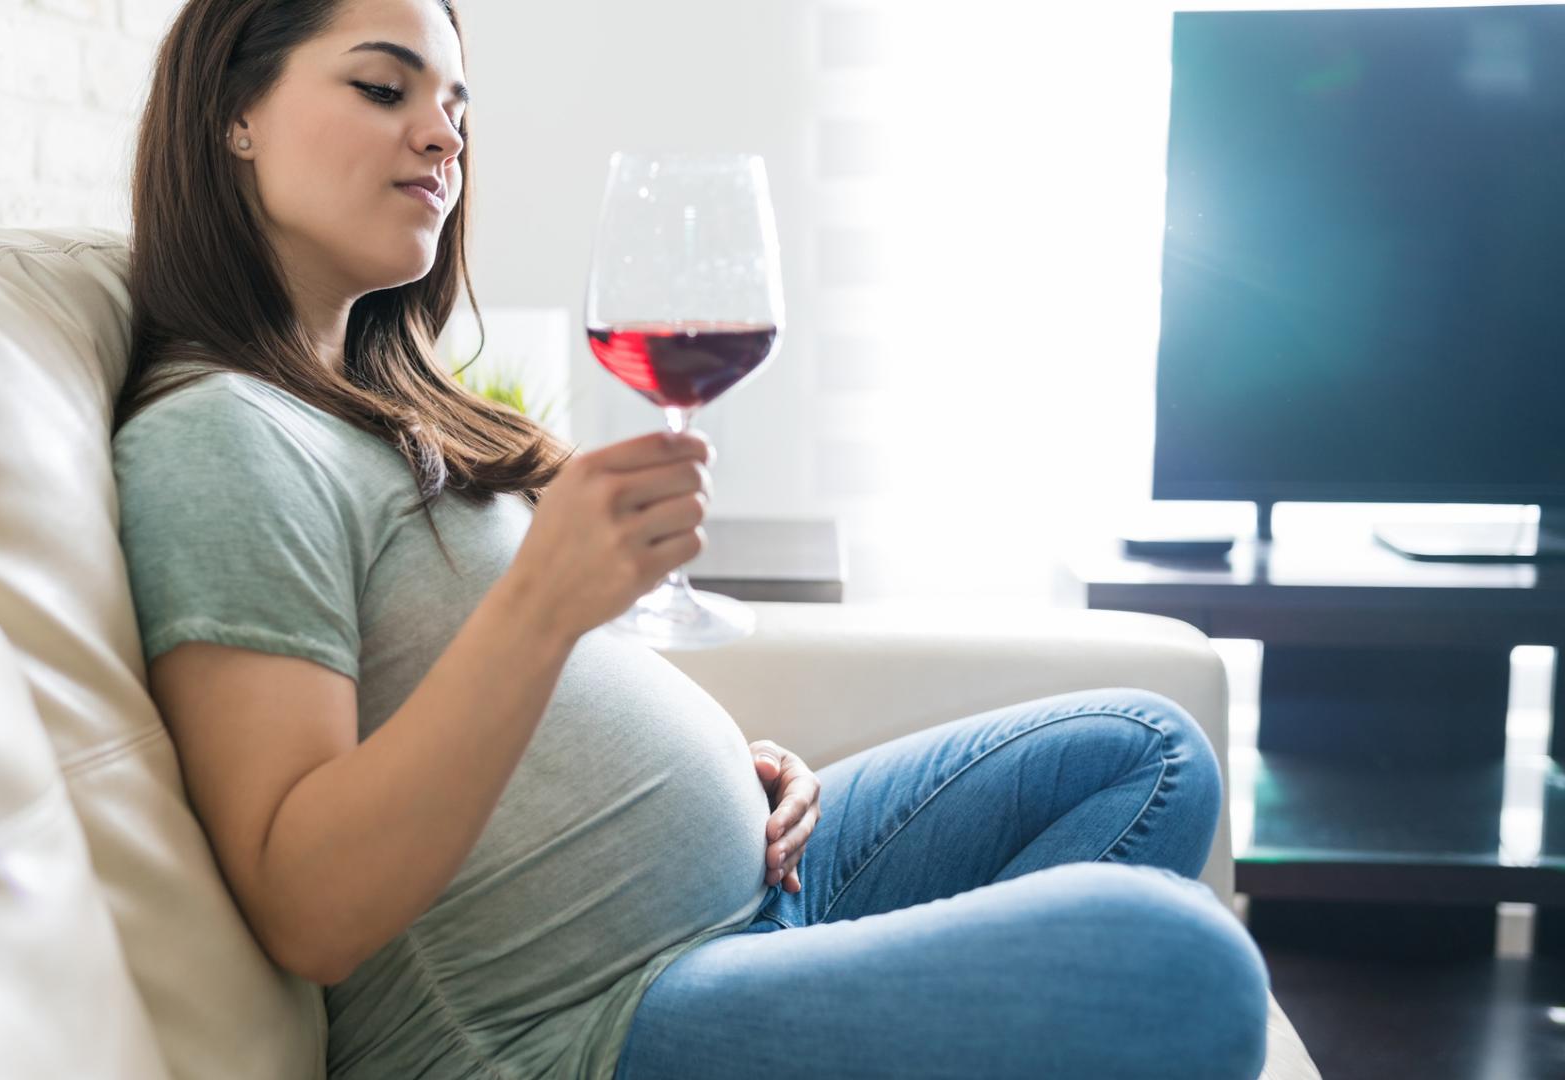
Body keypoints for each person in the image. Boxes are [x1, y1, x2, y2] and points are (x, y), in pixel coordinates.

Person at [108, 1, 1275, 1077]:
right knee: (1178, 964)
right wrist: (543, 603)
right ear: (234, 118)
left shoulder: (375, 401)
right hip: (585, 1024)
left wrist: (725, 765)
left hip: (752, 895)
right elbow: (305, 903)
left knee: (1141, 749)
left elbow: (501, 716)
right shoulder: (220, 435)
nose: (442, 139)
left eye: (457, 108)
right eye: (383, 90)